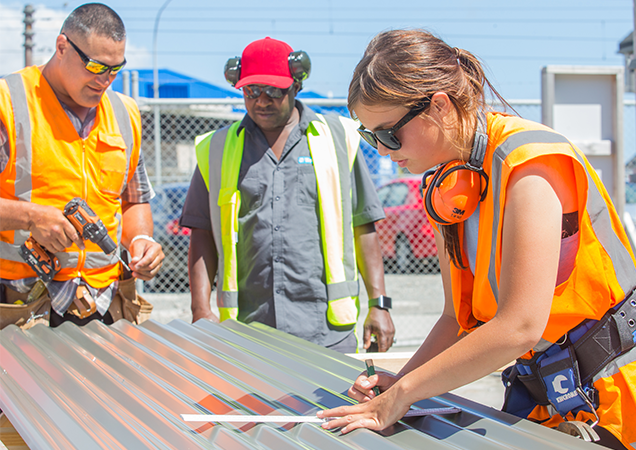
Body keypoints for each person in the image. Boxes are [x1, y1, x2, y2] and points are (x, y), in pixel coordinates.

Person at [318, 29, 636, 449]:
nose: (383, 151)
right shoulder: (449, 186)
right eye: (369, 138)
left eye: (388, 134)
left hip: (629, 395)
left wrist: (403, 396)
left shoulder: (530, 164)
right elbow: (456, 321)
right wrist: (398, 387)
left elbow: (519, 327)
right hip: (561, 395)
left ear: (438, 106)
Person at [181, 37, 395, 353]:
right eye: (251, 91)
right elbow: (202, 233)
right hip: (247, 332)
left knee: (336, 405)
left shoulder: (336, 138)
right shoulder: (216, 149)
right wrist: (201, 309)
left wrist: (379, 303)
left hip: (326, 332)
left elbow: (363, 223)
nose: (261, 101)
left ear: (296, 85)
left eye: (273, 91)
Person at [0, 3, 164, 329]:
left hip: (104, 305)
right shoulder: (10, 103)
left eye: (115, 69)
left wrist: (141, 239)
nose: (105, 80)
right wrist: (31, 217)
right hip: (21, 305)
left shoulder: (124, 114)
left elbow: (133, 199)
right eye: (95, 66)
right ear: (62, 47)